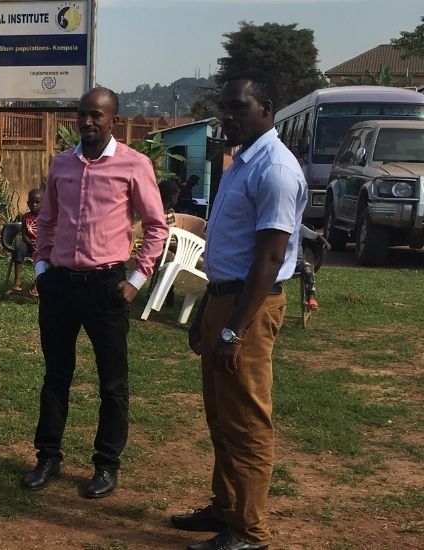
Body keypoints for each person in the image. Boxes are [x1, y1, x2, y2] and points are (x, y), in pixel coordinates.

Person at [173, 69, 307, 550]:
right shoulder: (241, 162)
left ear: (267, 111)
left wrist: (234, 329)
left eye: (239, 107)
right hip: (224, 299)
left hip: (248, 309)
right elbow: (227, 246)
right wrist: (210, 308)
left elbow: (269, 259)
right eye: (225, 107)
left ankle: (248, 532)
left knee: (247, 423)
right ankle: (225, 508)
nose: (228, 116)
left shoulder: (275, 169)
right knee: (221, 417)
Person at [20, 87, 169, 498]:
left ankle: (106, 465)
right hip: (61, 287)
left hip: (107, 288)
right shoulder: (62, 165)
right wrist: (41, 267)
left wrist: (136, 281)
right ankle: (47, 457)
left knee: (112, 382)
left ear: (112, 121)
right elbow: (45, 221)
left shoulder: (133, 165)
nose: (86, 122)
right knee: (56, 375)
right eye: (81, 114)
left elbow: (157, 227)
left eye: (96, 116)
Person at [10, 188, 44, 296]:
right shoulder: (26, 217)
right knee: (19, 248)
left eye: (37, 202)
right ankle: (17, 282)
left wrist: (40, 246)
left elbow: (50, 235)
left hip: (43, 246)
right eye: (32, 202)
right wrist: (31, 244)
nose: (34, 205)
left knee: (46, 257)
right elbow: (24, 235)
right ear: (28, 203)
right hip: (29, 244)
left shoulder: (46, 217)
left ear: (43, 203)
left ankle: (37, 285)